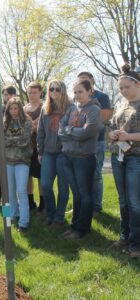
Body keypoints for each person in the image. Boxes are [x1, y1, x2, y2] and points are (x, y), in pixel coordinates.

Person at [58, 79, 102, 239]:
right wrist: (72, 131)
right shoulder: (72, 108)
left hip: (84, 159)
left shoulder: (94, 109)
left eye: (80, 92)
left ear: (89, 91)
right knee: (76, 194)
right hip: (68, 156)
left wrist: (70, 131)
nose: (76, 95)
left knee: (85, 194)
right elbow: (60, 130)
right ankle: (75, 225)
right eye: (74, 92)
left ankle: (82, 229)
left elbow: (87, 132)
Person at [108, 64, 140, 258]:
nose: (123, 91)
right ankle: (124, 237)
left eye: (126, 87)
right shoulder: (121, 104)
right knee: (123, 201)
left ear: (137, 84)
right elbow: (112, 125)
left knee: (135, 202)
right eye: (120, 88)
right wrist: (112, 133)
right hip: (118, 156)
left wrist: (129, 136)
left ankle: (136, 245)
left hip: (136, 158)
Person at [37, 80, 72, 226]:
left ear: (63, 90)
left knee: (63, 187)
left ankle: (59, 218)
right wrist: (40, 151)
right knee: (45, 185)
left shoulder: (71, 108)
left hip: (64, 153)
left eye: (57, 89)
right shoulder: (45, 109)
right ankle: (50, 214)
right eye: (51, 89)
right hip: (48, 153)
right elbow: (40, 131)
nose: (54, 92)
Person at [77, 72, 112, 215]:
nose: (84, 83)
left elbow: (101, 119)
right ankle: (85, 205)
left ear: (92, 81)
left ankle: (96, 207)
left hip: (97, 142)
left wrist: (81, 128)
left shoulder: (102, 97)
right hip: (80, 144)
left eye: (86, 80)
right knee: (82, 176)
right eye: (81, 81)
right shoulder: (77, 100)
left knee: (96, 175)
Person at [4, 98, 33, 231]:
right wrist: (13, 140)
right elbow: (1, 141)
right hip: (8, 161)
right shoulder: (4, 122)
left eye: (16, 108)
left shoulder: (27, 121)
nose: (14, 111)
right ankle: (12, 216)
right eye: (11, 108)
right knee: (9, 191)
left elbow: (25, 141)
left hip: (22, 160)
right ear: (8, 110)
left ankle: (24, 221)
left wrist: (9, 140)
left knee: (21, 191)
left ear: (20, 108)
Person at [24, 82, 44, 211]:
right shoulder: (24, 108)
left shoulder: (44, 106)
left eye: (34, 92)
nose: (32, 95)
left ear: (40, 93)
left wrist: (31, 125)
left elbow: (41, 126)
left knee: (41, 176)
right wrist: (33, 125)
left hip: (40, 146)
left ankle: (43, 203)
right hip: (25, 147)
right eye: (29, 92)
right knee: (27, 176)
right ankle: (30, 202)